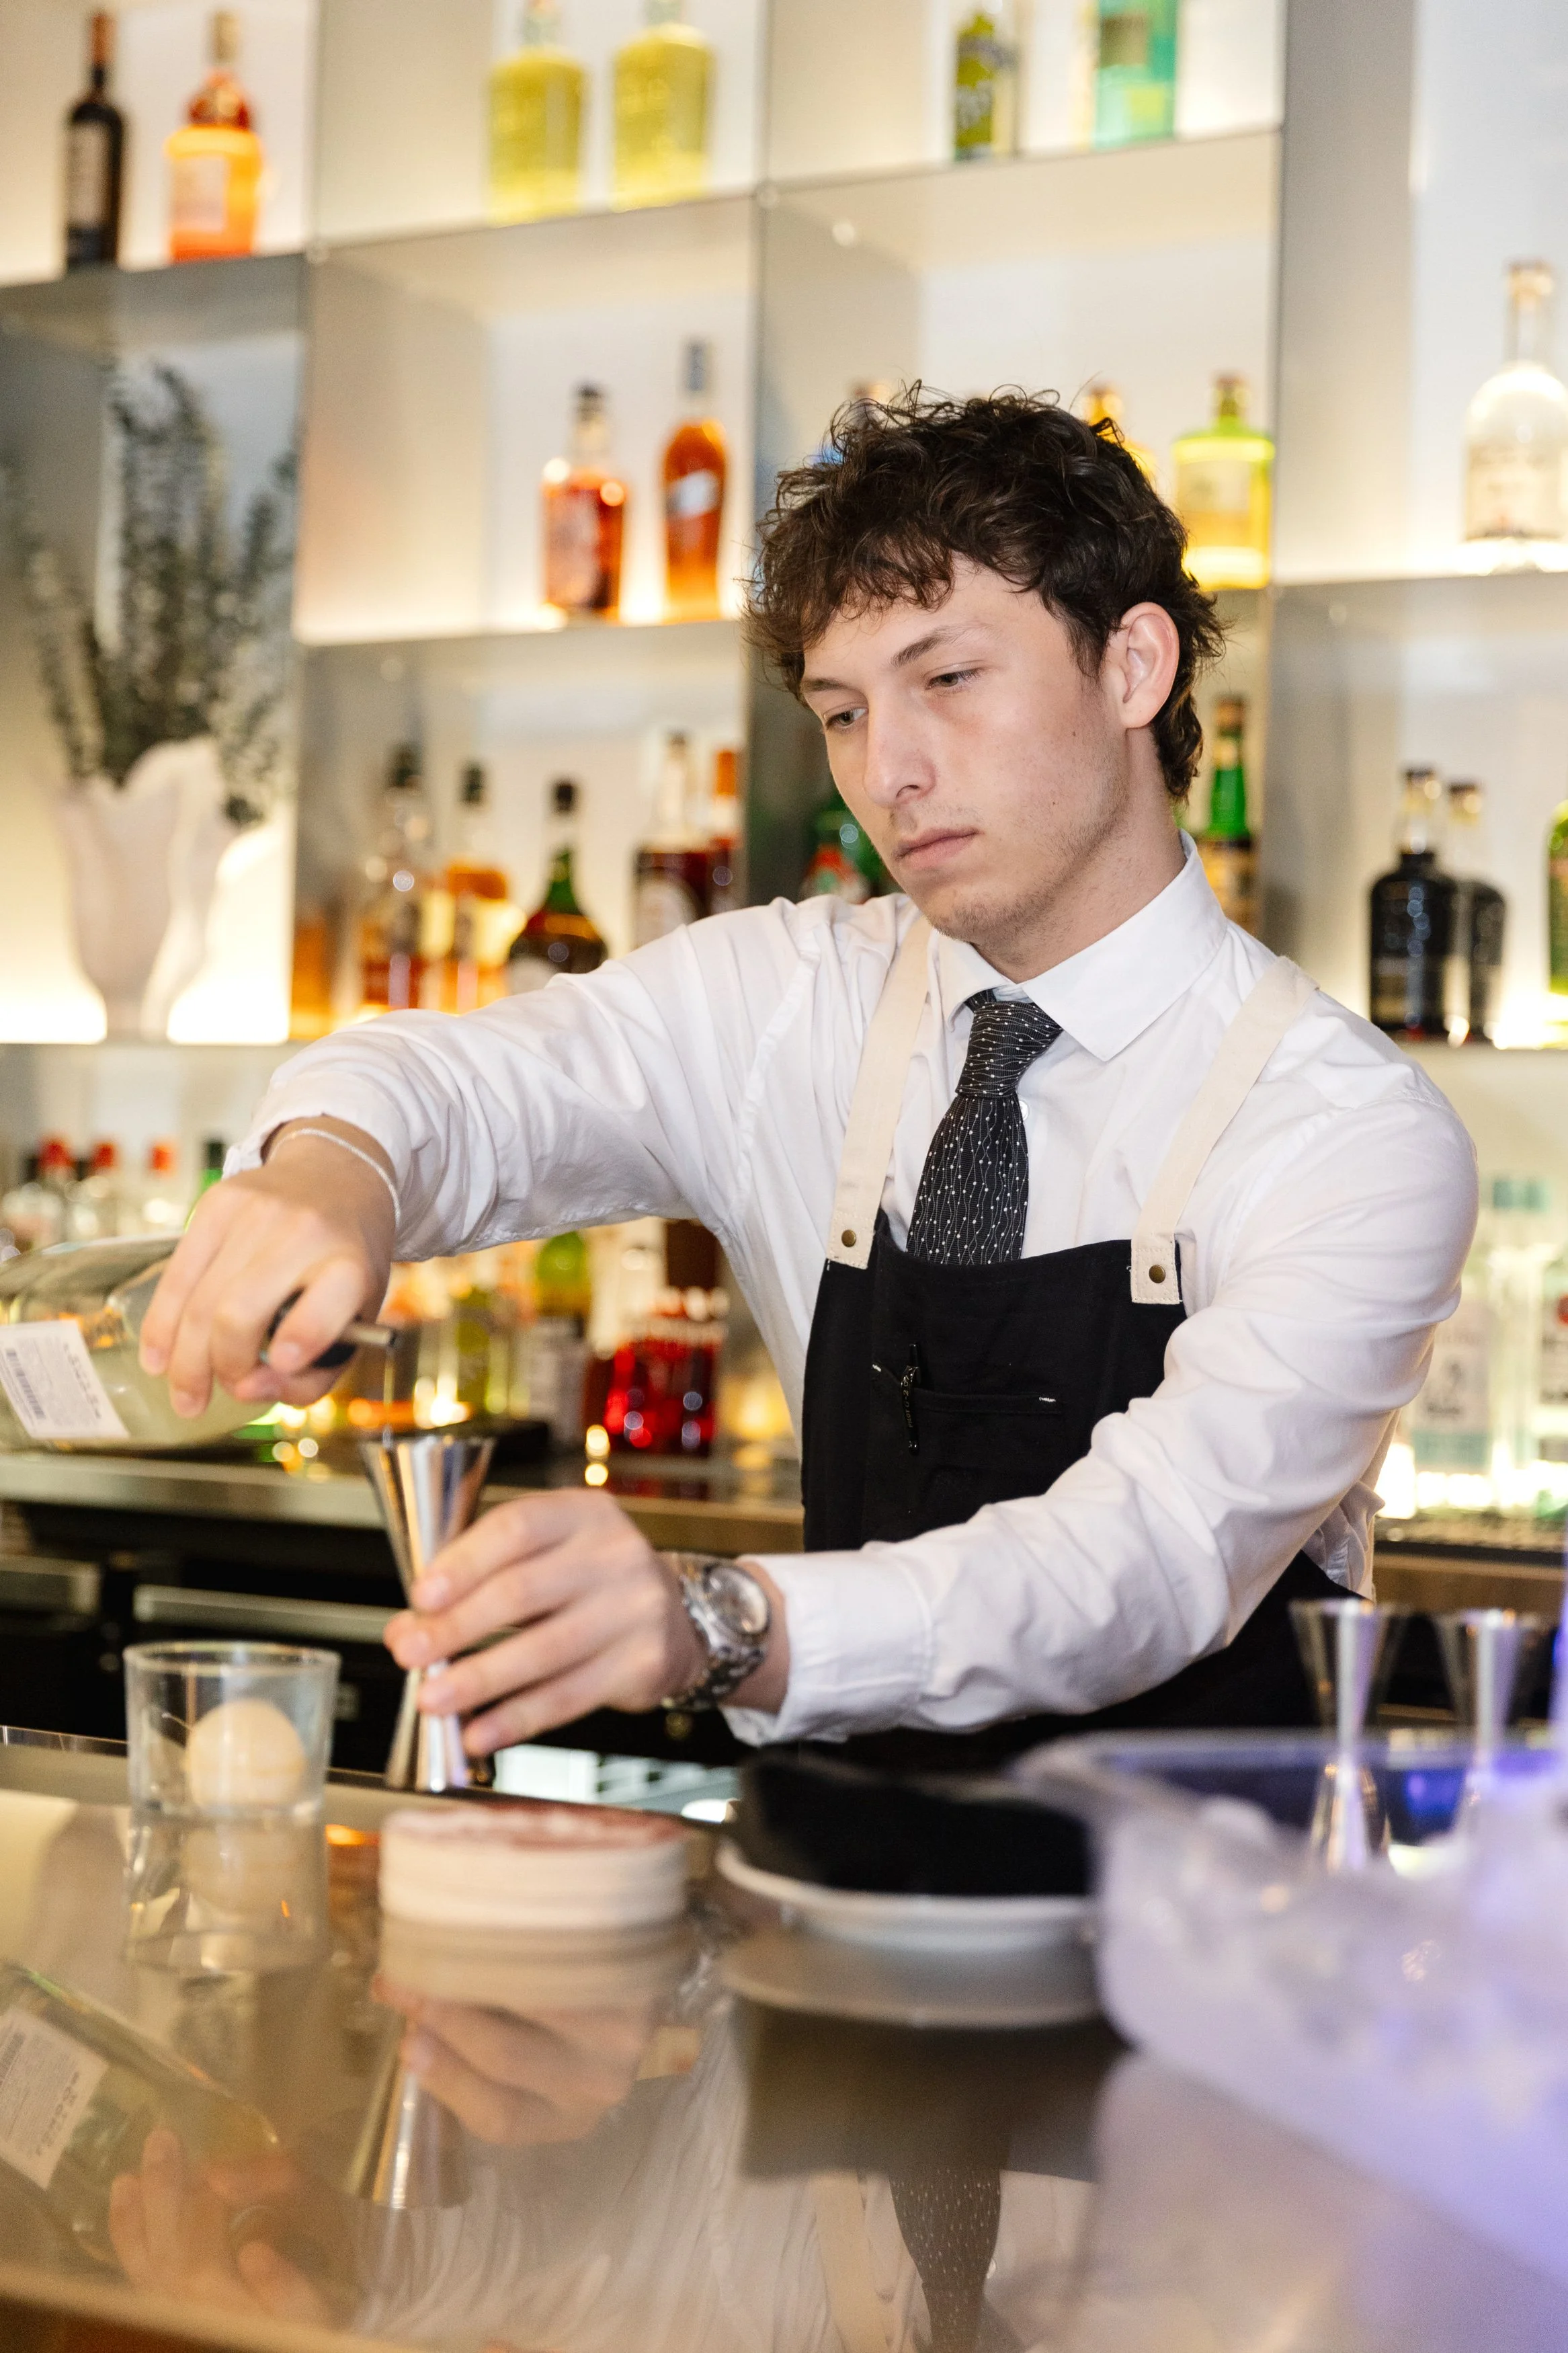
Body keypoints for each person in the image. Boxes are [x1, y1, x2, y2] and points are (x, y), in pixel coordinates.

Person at [139, 389, 1475, 1767]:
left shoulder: (1343, 1132)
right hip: (835, 1914)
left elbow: (1137, 1563)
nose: (885, 772)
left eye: (946, 679)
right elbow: (463, 1084)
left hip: (1189, 1945)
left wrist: (722, 1623)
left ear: (1133, 666)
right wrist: (334, 1169)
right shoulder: (787, 1001)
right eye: (841, 711)